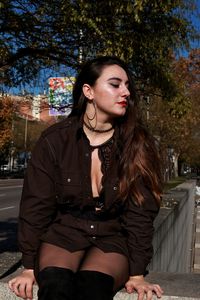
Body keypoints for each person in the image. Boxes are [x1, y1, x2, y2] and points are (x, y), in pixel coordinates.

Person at [8, 56, 164, 300]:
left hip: (112, 237)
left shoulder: (138, 143)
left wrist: (137, 274)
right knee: (56, 288)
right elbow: (36, 205)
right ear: (89, 91)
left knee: (92, 289)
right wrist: (29, 267)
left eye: (127, 85)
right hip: (64, 233)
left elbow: (141, 213)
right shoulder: (55, 141)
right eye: (115, 84)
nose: (126, 92)